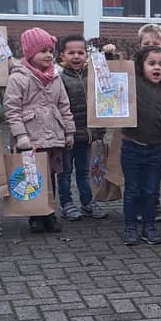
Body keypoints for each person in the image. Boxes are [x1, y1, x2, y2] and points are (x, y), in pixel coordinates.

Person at [4, 28, 74, 234]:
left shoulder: (55, 76)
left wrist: (69, 132)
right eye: (42, 51)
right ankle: (35, 215)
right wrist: (21, 136)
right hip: (31, 136)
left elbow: (64, 105)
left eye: (50, 50)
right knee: (32, 175)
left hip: (52, 134)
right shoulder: (19, 78)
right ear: (30, 54)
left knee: (49, 174)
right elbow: (12, 109)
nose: (48, 55)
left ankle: (48, 212)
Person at [120, 45, 161, 246]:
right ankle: (130, 227)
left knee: (151, 191)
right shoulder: (133, 84)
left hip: (154, 150)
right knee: (132, 190)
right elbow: (110, 75)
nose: (157, 68)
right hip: (131, 147)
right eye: (151, 64)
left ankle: (149, 227)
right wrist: (109, 55)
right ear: (140, 66)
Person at [54, 35, 107, 221]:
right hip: (66, 136)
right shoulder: (58, 77)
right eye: (71, 53)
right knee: (65, 172)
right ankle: (66, 204)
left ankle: (87, 202)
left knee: (85, 172)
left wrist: (99, 131)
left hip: (87, 135)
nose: (76, 56)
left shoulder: (93, 75)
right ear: (62, 55)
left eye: (80, 52)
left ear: (86, 54)